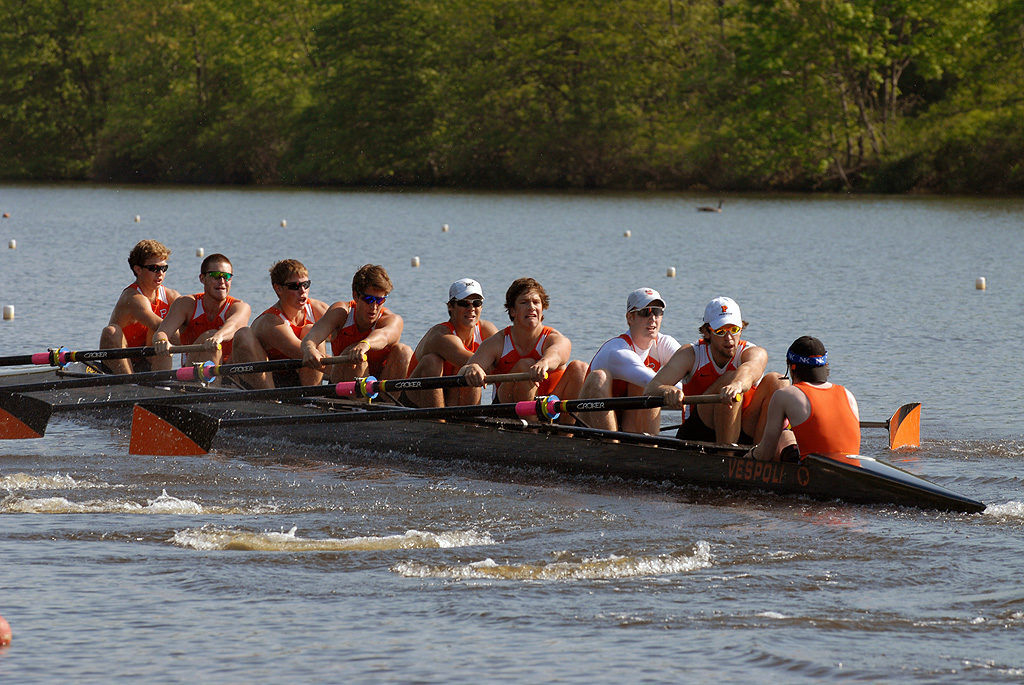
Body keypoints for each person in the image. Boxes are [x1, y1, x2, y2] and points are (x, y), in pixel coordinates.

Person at [644, 296, 787, 444]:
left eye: (734, 329)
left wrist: (737, 385)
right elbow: (650, 389)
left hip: (743, 427)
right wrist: (667, 390)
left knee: (779, 382)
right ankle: (726, 456)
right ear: (707, 332)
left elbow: (750, 370)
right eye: (721, 331)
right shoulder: (690, 354)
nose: (729, 337)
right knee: (729, 378)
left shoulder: (754, 352)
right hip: (698, 433)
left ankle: (759, 456)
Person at [459, 277, 587, 419]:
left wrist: (544, 363)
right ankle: (531, 431)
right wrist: (472, 368)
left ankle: (565, 436)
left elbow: (557, 354)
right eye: (524, 302)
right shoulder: (498, 342)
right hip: (508, 408)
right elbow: (464, 370)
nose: (531, 307)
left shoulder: (555, 338)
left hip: (550, 409)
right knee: (525, 365)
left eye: (536, 302)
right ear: (513, 311)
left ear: (542, 309)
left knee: (580, 368)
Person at [578, 288, 681, 433]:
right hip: (591, 422)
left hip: (627, 423)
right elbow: (649, 380)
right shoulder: (617, 351)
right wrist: (677, 391)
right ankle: (611, 447)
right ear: (630, 318)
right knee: (601, 377)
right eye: (645, 312)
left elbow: (691, 371)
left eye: (657, 312)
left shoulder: (664, 343)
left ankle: (648, 447)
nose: (652, 319)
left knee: (648, 385)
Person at [748, 336, 860, 462]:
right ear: (824, 366)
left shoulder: (784, 395)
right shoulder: (848, 394)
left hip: (813, 473)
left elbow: (765, 455)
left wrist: (748, 456)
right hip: (852, 469)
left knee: (784, 434)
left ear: (791, 368)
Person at [301, 264, 412, 384]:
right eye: (368, 299)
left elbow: (384, 336)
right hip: (344, 384)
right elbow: (311, 337)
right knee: (353, 353)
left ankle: (388, 401)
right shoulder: (341, 312)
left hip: (380, 387)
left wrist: (365, 344)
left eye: (380, 300)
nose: (374, 307)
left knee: (403, 351)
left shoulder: (391, 320)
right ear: (356, 296)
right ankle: (358, 400)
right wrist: (309, 349)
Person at [230, 259, 330, 388]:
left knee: (311, 330)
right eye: (294, 286)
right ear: (278, 289)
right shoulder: (271, 322)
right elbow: (306, 354)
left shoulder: (318, 309)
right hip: (260, 380)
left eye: (306, 284)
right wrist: (346, 372)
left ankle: (313, 399)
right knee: (243, 333)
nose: (302, 290)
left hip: (293, 375)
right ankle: (271, 400)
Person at [404, 278, 499, 407]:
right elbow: (481, 363)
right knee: (467, 366)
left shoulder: (487, 330)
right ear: (450, 306)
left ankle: (470, 423)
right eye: (464, 303)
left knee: (471, 369)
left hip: (453, 396)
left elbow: (505, 361)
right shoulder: (441, 335)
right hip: (414, 400)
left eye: (476, 303)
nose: (471, 308)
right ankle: (439, 421)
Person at [151, 253, 251, 370]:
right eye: (216, 276)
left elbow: (234, 325)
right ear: (202, 279)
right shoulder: (186, 304)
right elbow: (161, 332)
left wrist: (219, 336)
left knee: (247, 334)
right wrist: (162, 341)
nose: (222, 281)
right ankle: (214, 385)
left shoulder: (240, 307)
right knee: (210, 335)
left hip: (229, 369)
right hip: (193, 370)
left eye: (227, 276)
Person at [99, 240, 181, 373]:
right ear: (138, 269)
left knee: (160, 334)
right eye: (154, 268)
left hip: (147, 360)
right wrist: (193, 340)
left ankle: (162, 385)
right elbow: (159, 325)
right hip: (120, 362)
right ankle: (128, 384)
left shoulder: (171, 296)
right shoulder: (133, 297)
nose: (160, 273)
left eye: (164, 268)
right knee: (111, 331)